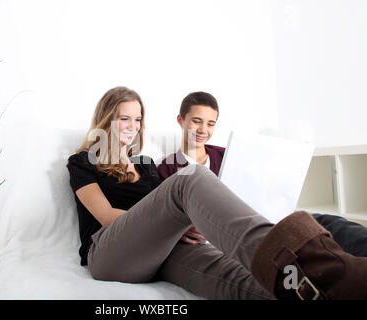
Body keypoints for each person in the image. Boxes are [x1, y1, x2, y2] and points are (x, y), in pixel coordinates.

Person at [66, 86, 367, 300]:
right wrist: (168, 222)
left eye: (138, 118)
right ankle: (314, 262)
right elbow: (106, 216)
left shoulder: (145, 165)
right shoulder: (83, 162)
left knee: (233, 277)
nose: (133, 125)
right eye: (124, 118)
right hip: (107, 254)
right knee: (189, 178)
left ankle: (316, 289)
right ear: (106, 119)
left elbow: (165, 213)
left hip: (157, 252)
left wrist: (179, 225)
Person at [157, 91, 367, 258]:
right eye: (196, 121)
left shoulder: (230, 153)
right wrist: (181, 230)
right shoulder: (166, 168)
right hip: (227, 235)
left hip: (262, 218)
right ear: (180, 120)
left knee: (328, 223)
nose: (203, 129)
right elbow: (164, 216)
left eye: (210, 124)